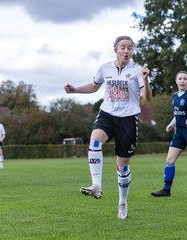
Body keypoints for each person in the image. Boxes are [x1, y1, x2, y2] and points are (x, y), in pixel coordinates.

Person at [64, 35, 152, 220]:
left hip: (128, 119)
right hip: (107, 114)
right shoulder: (105, 68)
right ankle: (96, 186)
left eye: (130, 48)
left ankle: (122, 203)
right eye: (123, 47)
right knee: (95, 140)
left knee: (122, 166)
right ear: (116, 50)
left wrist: (147, 79)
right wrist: (75, 89)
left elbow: (147, 97)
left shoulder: (137, 70)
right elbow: (95, 87)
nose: (127, 51)